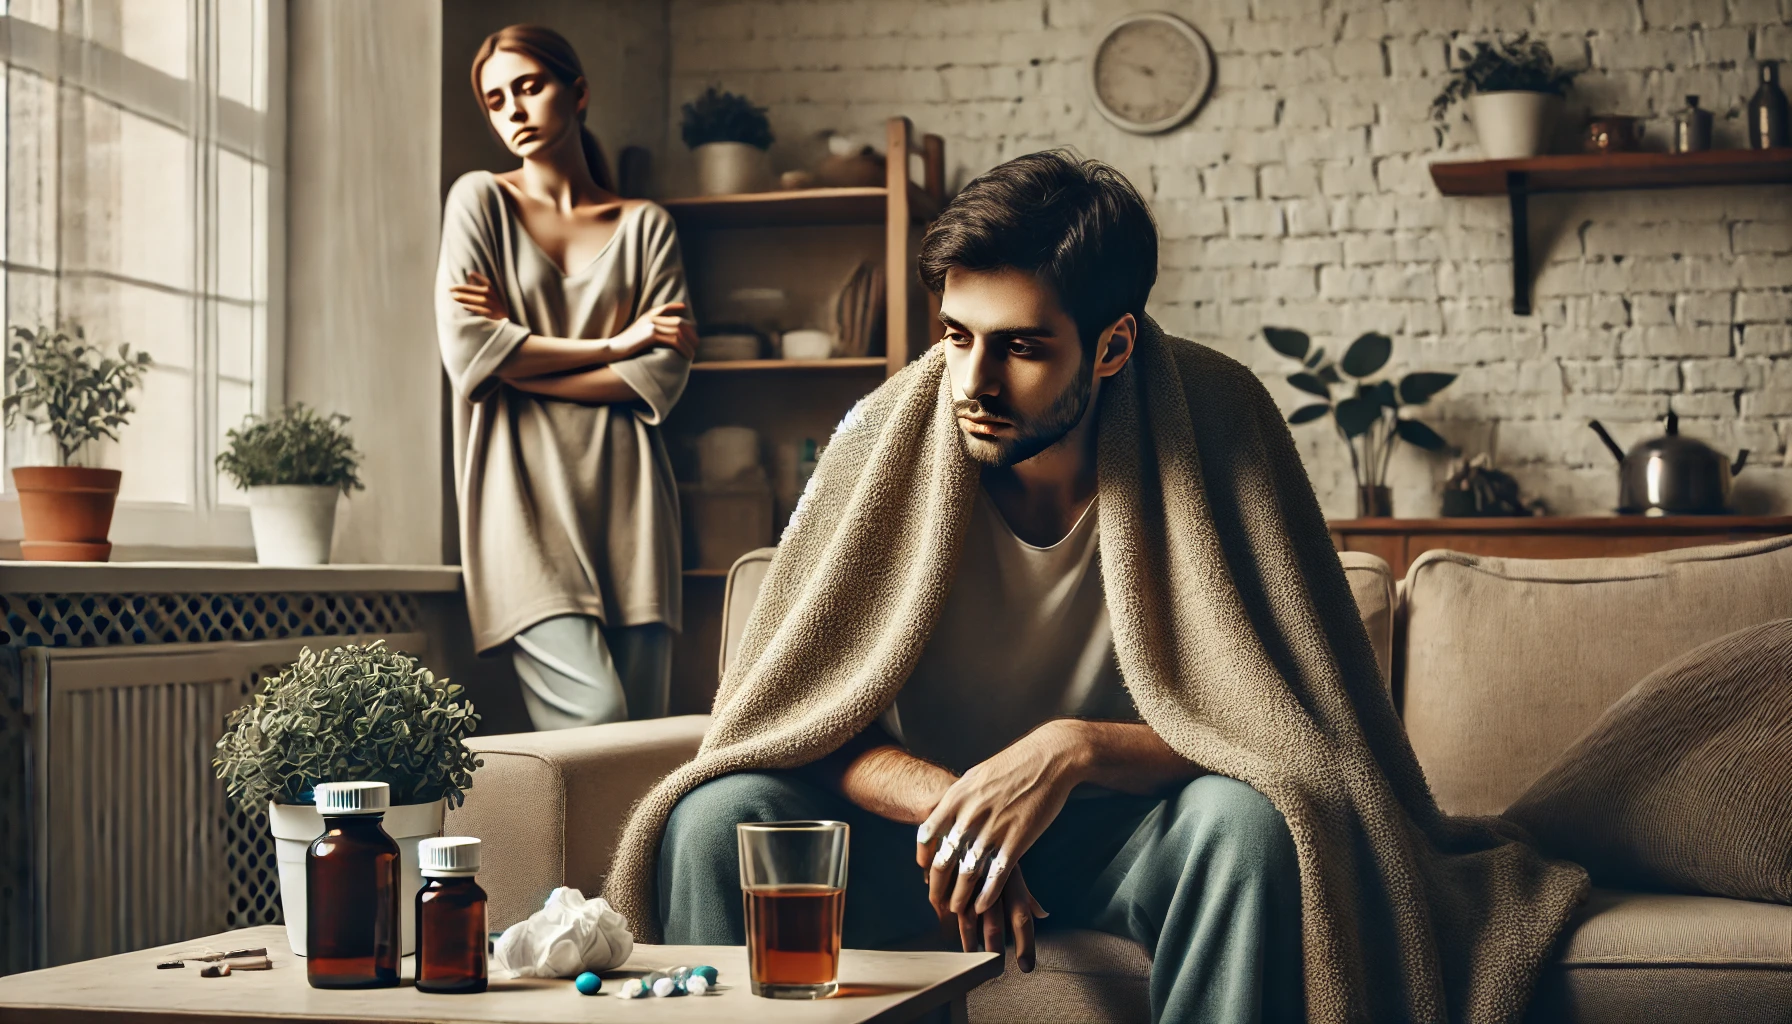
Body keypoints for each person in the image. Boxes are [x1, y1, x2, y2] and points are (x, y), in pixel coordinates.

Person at [605, 152, 1585, 1024]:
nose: (972, 380)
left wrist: (1074, 751)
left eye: (1022, 347)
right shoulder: (884, 436)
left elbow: (1287, 732)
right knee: (713, 818)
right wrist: (960, 812)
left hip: (1127, 836)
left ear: (1109, 348)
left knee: (1245, 831)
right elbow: (797, 713)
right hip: (923, 843)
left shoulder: (1217, 422)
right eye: (956, 334)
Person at [435, 24, 696, 730]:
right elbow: (470, 355)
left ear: (577, 92)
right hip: (517, 504)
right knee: (596, 718)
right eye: (496, 100)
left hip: (631, 503)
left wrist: (519, 362)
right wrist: (617, 342)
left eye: (529, 87)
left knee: (641, 744)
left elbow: (661, 377)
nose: (513, 110)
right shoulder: (478, 202)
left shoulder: (646, 226)